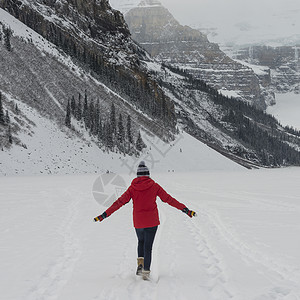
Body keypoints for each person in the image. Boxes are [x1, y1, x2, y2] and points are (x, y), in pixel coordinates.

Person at [94, 161, 196, 280]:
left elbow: (119, 203)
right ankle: (146, 271)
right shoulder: (154, 186)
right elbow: (169, 199)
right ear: (148, 174)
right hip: (152, 221)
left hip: (139, 222)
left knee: (141, 241)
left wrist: (104, 215)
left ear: (138, 176)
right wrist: (185, 209)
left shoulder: (132, 188)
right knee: (148, 246)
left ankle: (140, 265)